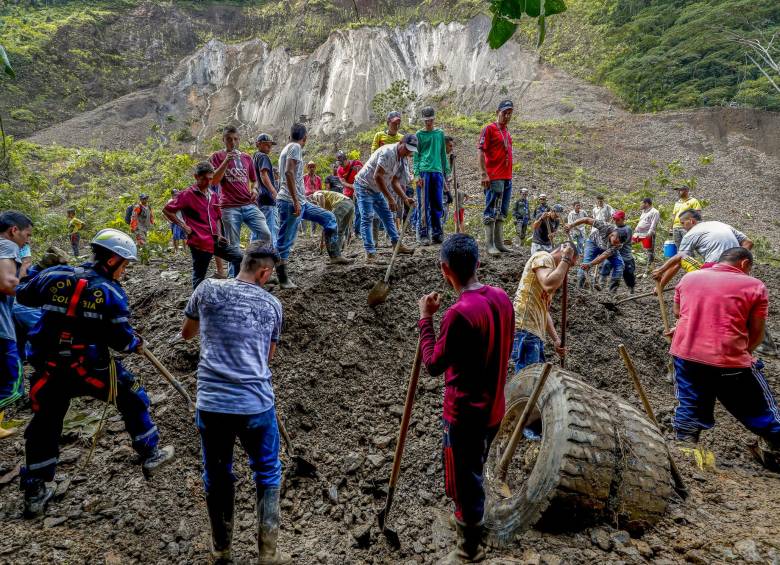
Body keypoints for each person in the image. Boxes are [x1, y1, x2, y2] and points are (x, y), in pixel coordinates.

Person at [16, 229, 175, 517]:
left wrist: (40, 267)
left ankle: (35, 491)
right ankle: (151, 453)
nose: (125, 272)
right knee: (133, 398)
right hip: (89, 368)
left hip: (49, 369)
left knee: (45, 422)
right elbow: (122, 341)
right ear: (113, 259)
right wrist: (135, 342)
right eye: (125, 264)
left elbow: (24, 294)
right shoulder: (112, 293)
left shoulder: (55, 275)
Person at [180, 243, 290, 564]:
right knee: (268, 472)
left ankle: (222, 550)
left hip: (212, 403)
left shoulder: (207, 288)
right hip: (256, 403)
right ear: (264, 272)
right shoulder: (272, 305)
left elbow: (187, 333)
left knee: (216, 475)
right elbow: (268, 358)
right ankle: (267, 554)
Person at [417, 234, 514, 563]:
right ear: (478, 263)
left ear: (445, 269)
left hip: (465, 415)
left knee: (465, 480)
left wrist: (425, 319)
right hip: (494, 407)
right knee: (475, 466)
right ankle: (473, 521)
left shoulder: (458, 314)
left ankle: (468, 547)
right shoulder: (501, 298)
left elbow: (432, 363)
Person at [667, 247, 780, 471]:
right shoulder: (754, 286)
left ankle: (686, 456)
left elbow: (678, 314)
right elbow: (757, 333)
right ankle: (776, 446)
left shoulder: (689, 277)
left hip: (686, 354)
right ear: (744, 264)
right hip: (729, 360)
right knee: (760, 410)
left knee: (690, 403)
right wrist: (743, 351)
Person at [276, 123, 350, 289]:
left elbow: (292, 175)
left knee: (329, 217)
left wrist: (301, 199)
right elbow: (289, 173)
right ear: (305, 138)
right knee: (285, 240)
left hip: (300, 201)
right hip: (290, 201)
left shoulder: (287, 147)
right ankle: (282, 278)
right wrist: (295, 200)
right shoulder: (295, 147)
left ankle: (335, 255)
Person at [163, 162, 245, 289]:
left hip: (214, 240)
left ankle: (236, 287)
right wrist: (183, 226)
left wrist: (219, 234)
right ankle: (195, 305)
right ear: (196, 177)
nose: (208, 182)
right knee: (199, 276)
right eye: (204, 179)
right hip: (199, 241)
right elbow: (167, 210)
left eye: (210, 179)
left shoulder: (213, 195)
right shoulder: (187, 194)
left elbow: (217, 217)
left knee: (238, 256)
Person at [210, 126, 272, 275]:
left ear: (239, 140)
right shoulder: (217, 156)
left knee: (266, 234)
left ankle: (254, 268)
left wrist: (255, 189)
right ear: (223, 140)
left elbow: (254, 180)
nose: (232, 142)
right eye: (229, 139)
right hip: (229, 207)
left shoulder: (246, 157)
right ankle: (234, 278)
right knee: (234, 247)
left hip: (248, 204)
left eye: (235, 139)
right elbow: (213, 181)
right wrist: (226, 161)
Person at [511, 243, 576, 372]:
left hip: (533, 331)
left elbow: (543, 311)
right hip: (525, 328)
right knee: (529, 381)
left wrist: (556, 340)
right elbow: (549, 285)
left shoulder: (549, 270)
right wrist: (566, 259)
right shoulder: (544, 256)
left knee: (534, 380)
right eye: (571, 265)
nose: (567, 269)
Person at [352, 135, 417, 261]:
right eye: (407, 149)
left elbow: (394, 182)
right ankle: (370, 252)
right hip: (363, 185)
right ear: (400, 143)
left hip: (376, 188)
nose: (408, 152)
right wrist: (390, 199)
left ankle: (396, 245)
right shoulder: (388, 152)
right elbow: (378, 176)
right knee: (367, 217)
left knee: (387, 215)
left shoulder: (402, 159)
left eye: (411, 150)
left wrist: (405, 198)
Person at [652, 210, 753, 289]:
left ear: (691, 221)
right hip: (740, 268)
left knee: (682, 257)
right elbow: (748, 243)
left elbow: (680, 259)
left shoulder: (691, 234)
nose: (683, 227)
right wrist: (738, 258)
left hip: (715, 269)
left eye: (683, 223)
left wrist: (661, 274)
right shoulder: (719, 224)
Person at [0, 211, 32, 428]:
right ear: (14, 230)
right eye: (27, 235)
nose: (27, 240)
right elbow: (7, 284)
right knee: (12, 383)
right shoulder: (8, 245)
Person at [478, 100, 514, 256]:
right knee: (491, 208)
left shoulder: (507, 132)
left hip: (507, 176)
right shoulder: (489, 129)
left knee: (502, 210)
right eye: (504, 112)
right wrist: (484, 173)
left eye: (509, 113)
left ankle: (499, 243)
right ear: (497, 112)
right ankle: (489, 244)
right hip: (494, 176)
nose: (506, 116)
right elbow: (480, 151)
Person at [415, 106, 450, 245]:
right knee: (423, 204)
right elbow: (416, 156)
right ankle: (423, 233)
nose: (428, 122)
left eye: (430, 119)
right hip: (424, 171)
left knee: (437, 203)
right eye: (426, 120)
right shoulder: (419, 134)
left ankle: (437, 232)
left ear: (434, 118)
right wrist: (417, 174)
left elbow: (443, 154)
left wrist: (446, 171)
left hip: (437, 172)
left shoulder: (439, 134)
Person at [565, 215, 629, 289]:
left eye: (617, 244)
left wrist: (590, 264)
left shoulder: (619, 244)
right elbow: (586, 219)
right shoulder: (605, 226)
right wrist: (571, 225)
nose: (614, 244)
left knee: (620, 265)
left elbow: (604, 256)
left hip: (605, 248)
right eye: (614, 242)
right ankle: (579, 287)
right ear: (612, 234)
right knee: (586, 262)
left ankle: (611, 291)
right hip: (593, 243)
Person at [252, 133, 279, 243]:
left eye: (270, 145)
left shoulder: (255, 156)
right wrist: (273, 192)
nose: (269, 147)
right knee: (271, 227)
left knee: (259, 228)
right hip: (267, 198)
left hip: (260, 197)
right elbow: (263, 175)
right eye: (267, 145)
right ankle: (271, 255)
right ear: (258, 144)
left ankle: (253, 253)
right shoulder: (263, 156)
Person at [599, 211, 635, 293]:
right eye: (614, 219)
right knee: (605, 265)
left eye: (617, 219)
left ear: (623, 219)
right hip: (613, 253)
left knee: (628, 273)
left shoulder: (627, 229)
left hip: (625, 255)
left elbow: (620, 242)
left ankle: (631, 288)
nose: (615, 221)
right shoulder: (612, 228)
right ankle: (602, 285)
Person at [336, 150, 363, 237]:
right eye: (339, 163)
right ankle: (347, 233)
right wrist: (352, 186)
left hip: (359, 191)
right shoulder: (339, 169)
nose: (341, 165)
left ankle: (357, 232)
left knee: (359, 212)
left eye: (342, 163)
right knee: (347, 213)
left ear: (346, 159)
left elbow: (364, 174)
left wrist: (358, 186)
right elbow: (343, 182)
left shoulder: (356, 163)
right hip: (347, 193)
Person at [633, 197, 660, 267]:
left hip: (647, 233)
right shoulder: (644, 211)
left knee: (649, 251)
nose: (640, 205)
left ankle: (649, 266)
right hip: (638, 233)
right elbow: (642, 221)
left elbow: (653, 224)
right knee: (630, 243)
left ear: (646, 204)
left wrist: (649, 234)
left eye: (642, 203)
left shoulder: (655, 212)